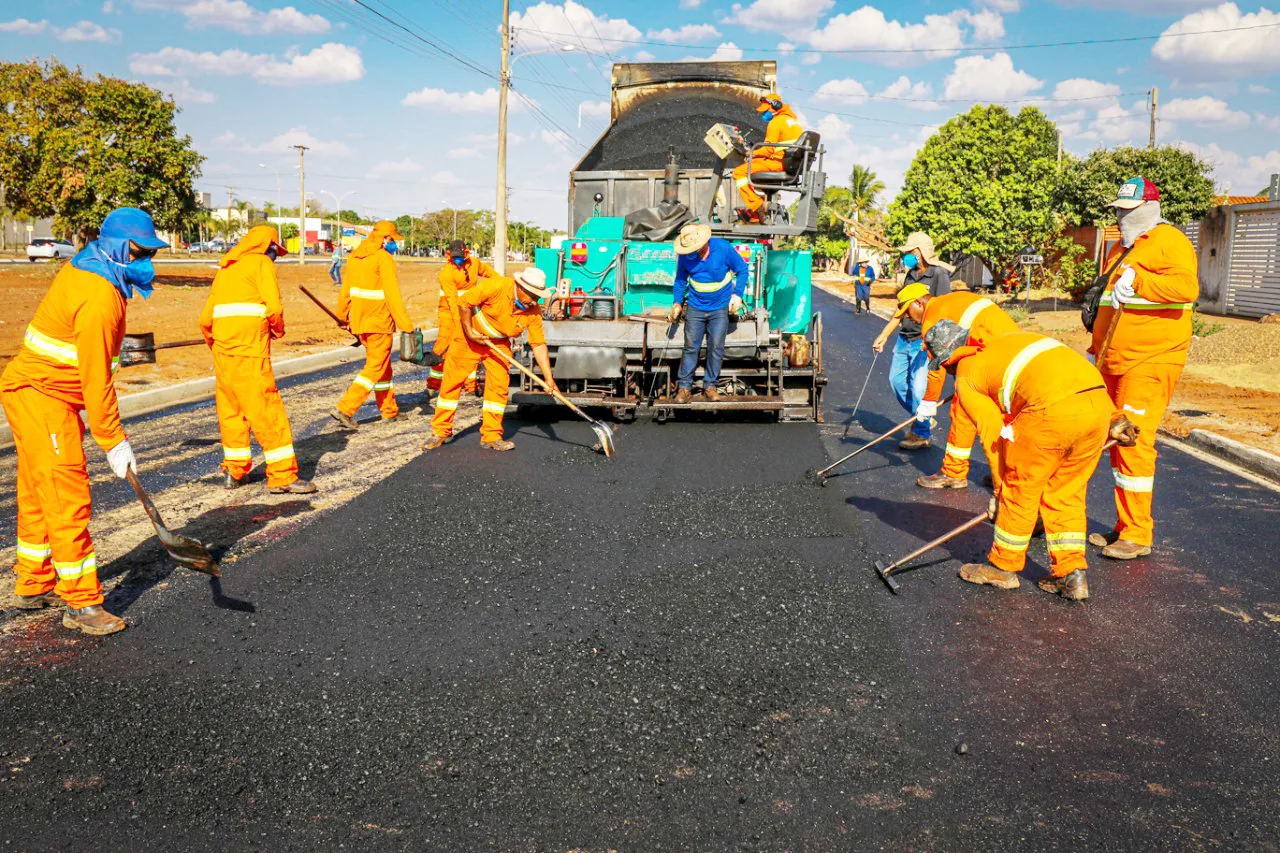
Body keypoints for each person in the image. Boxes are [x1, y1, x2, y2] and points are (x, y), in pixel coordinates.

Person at [0, 208, 172, 635]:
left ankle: (34, 582)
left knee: (40, 490)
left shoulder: (94, 267)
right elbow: (96, 381)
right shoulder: (98, 296)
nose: (146, 258)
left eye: (150, 250)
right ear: (118, 247)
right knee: (65, 492)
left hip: (41, 391)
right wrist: (114, 440)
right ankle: (81, 603)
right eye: (139, 250)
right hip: (42, 394)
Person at [924, 321, 1139, 601]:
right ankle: (1071, 574)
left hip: (1050, 410)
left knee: (1020, 487)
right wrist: (1115, 419)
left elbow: (993, 439)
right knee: (1066, 494)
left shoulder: (966, 375)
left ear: (949, 359)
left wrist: (1001, 492)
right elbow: (1068, 376)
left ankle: (1003, 567)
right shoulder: (1007, 340)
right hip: (1097, 404)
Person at [1087, 177, 1199, 561]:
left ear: (1149, 208)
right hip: (1112, 358)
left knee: (1132, 440)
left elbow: (1186, 289)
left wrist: (1142, 280)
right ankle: (1123, 525)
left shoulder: (1171, 241)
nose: (1120, 216)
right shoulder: (1120, 247)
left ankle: (1137, 533)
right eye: (1118, 209)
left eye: (1128, 209)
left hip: (1151, 360)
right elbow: (1108, 304)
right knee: (1113, 439)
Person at [199, 225, 315, 495]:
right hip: (250, 350)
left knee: (232, 410)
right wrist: (277, 329)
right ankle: (283, 475)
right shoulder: (261, 263)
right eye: (275, 249)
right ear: (268, 246)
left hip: (223, 351)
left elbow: (205, 319)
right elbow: (273, 307)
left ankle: (234, 471)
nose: (275, 254)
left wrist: (214, 343)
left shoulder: (227, 268)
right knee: (266, 408)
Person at [896, 288, 1022, 489]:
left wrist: (928, 403)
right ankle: (1005, 471)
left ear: (918, 303)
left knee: (962, 409)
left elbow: (937, 369)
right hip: (1016, 354)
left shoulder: (932, 319)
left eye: (907, 313)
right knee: (1003, 417)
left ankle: (953, 472)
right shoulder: (955, 299)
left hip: (987, 355)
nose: (909, 320)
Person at [424, 267, 558, 452]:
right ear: (519, 287)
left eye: (537, 298)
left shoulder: (533, 312)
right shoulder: (497, 286)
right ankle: (441, 431)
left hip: (498, 344)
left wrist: (548, 378)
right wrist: (470, 332)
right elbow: (464, 303)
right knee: (452, 383)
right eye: (531, 296)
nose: (534, 302)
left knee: (499, 386)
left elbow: (538, 344)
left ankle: (492, 435)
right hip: (468, 338)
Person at [331, 220, 417, 430]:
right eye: (392, 240)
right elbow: (392, 295)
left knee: (382, 365)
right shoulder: (382, 258)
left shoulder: (355, 257)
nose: (393, 244)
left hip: (360, 322)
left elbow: (345, 291)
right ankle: (345, 408)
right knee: (374, 367)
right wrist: (406, 325)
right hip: (379, 322)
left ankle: (389, 410)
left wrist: (341, 317)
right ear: (385, 238)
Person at [872, 232, 952, 450]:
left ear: (920, 252)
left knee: (918, 389)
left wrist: (934, 342)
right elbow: (902, 309)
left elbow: (944, 312)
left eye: (910, 251)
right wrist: (885, 334)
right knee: (896, 383)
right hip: (903, 339)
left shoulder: (939, 275)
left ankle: (922, 433)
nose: (907, 254)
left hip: (923, 341)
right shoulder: (910, 275)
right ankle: (922, 417)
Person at [667, 222, 750, 404]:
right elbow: (681, 280)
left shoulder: (722, 248)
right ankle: (684, 388)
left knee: (716, 347)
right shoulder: (686, 256)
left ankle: (710, 386)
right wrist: (676, 303)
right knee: (690, 347)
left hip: (719, 307)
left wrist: (737, 295)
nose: (692, 252)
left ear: (704, 242)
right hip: (696, 307)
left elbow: (742, 270)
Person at [429, 239, 495, 395]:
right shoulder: (447, 273)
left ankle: (470, 385)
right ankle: (434, 383)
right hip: (449, 311)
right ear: (449, 255)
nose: (458, 260)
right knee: (443, 345)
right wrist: (461, 324)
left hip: (470, 309)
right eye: (455, 257)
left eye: (460, 256)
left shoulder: (475, 264)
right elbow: (452, 302)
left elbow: (492, 276)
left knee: (470, 346)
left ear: (466, 253)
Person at [732, 93, 803, 225]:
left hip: (778, 163)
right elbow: (776, 146)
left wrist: (750, 154)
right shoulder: (793, 121)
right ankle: (755, 215)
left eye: (766, 110)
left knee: (738, 173)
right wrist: (755, 151)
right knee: (754, 174)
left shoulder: (776, 122)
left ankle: (758, 205)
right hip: (788, 163)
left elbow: (768, 150)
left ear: (775, 106)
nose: (764, 113)